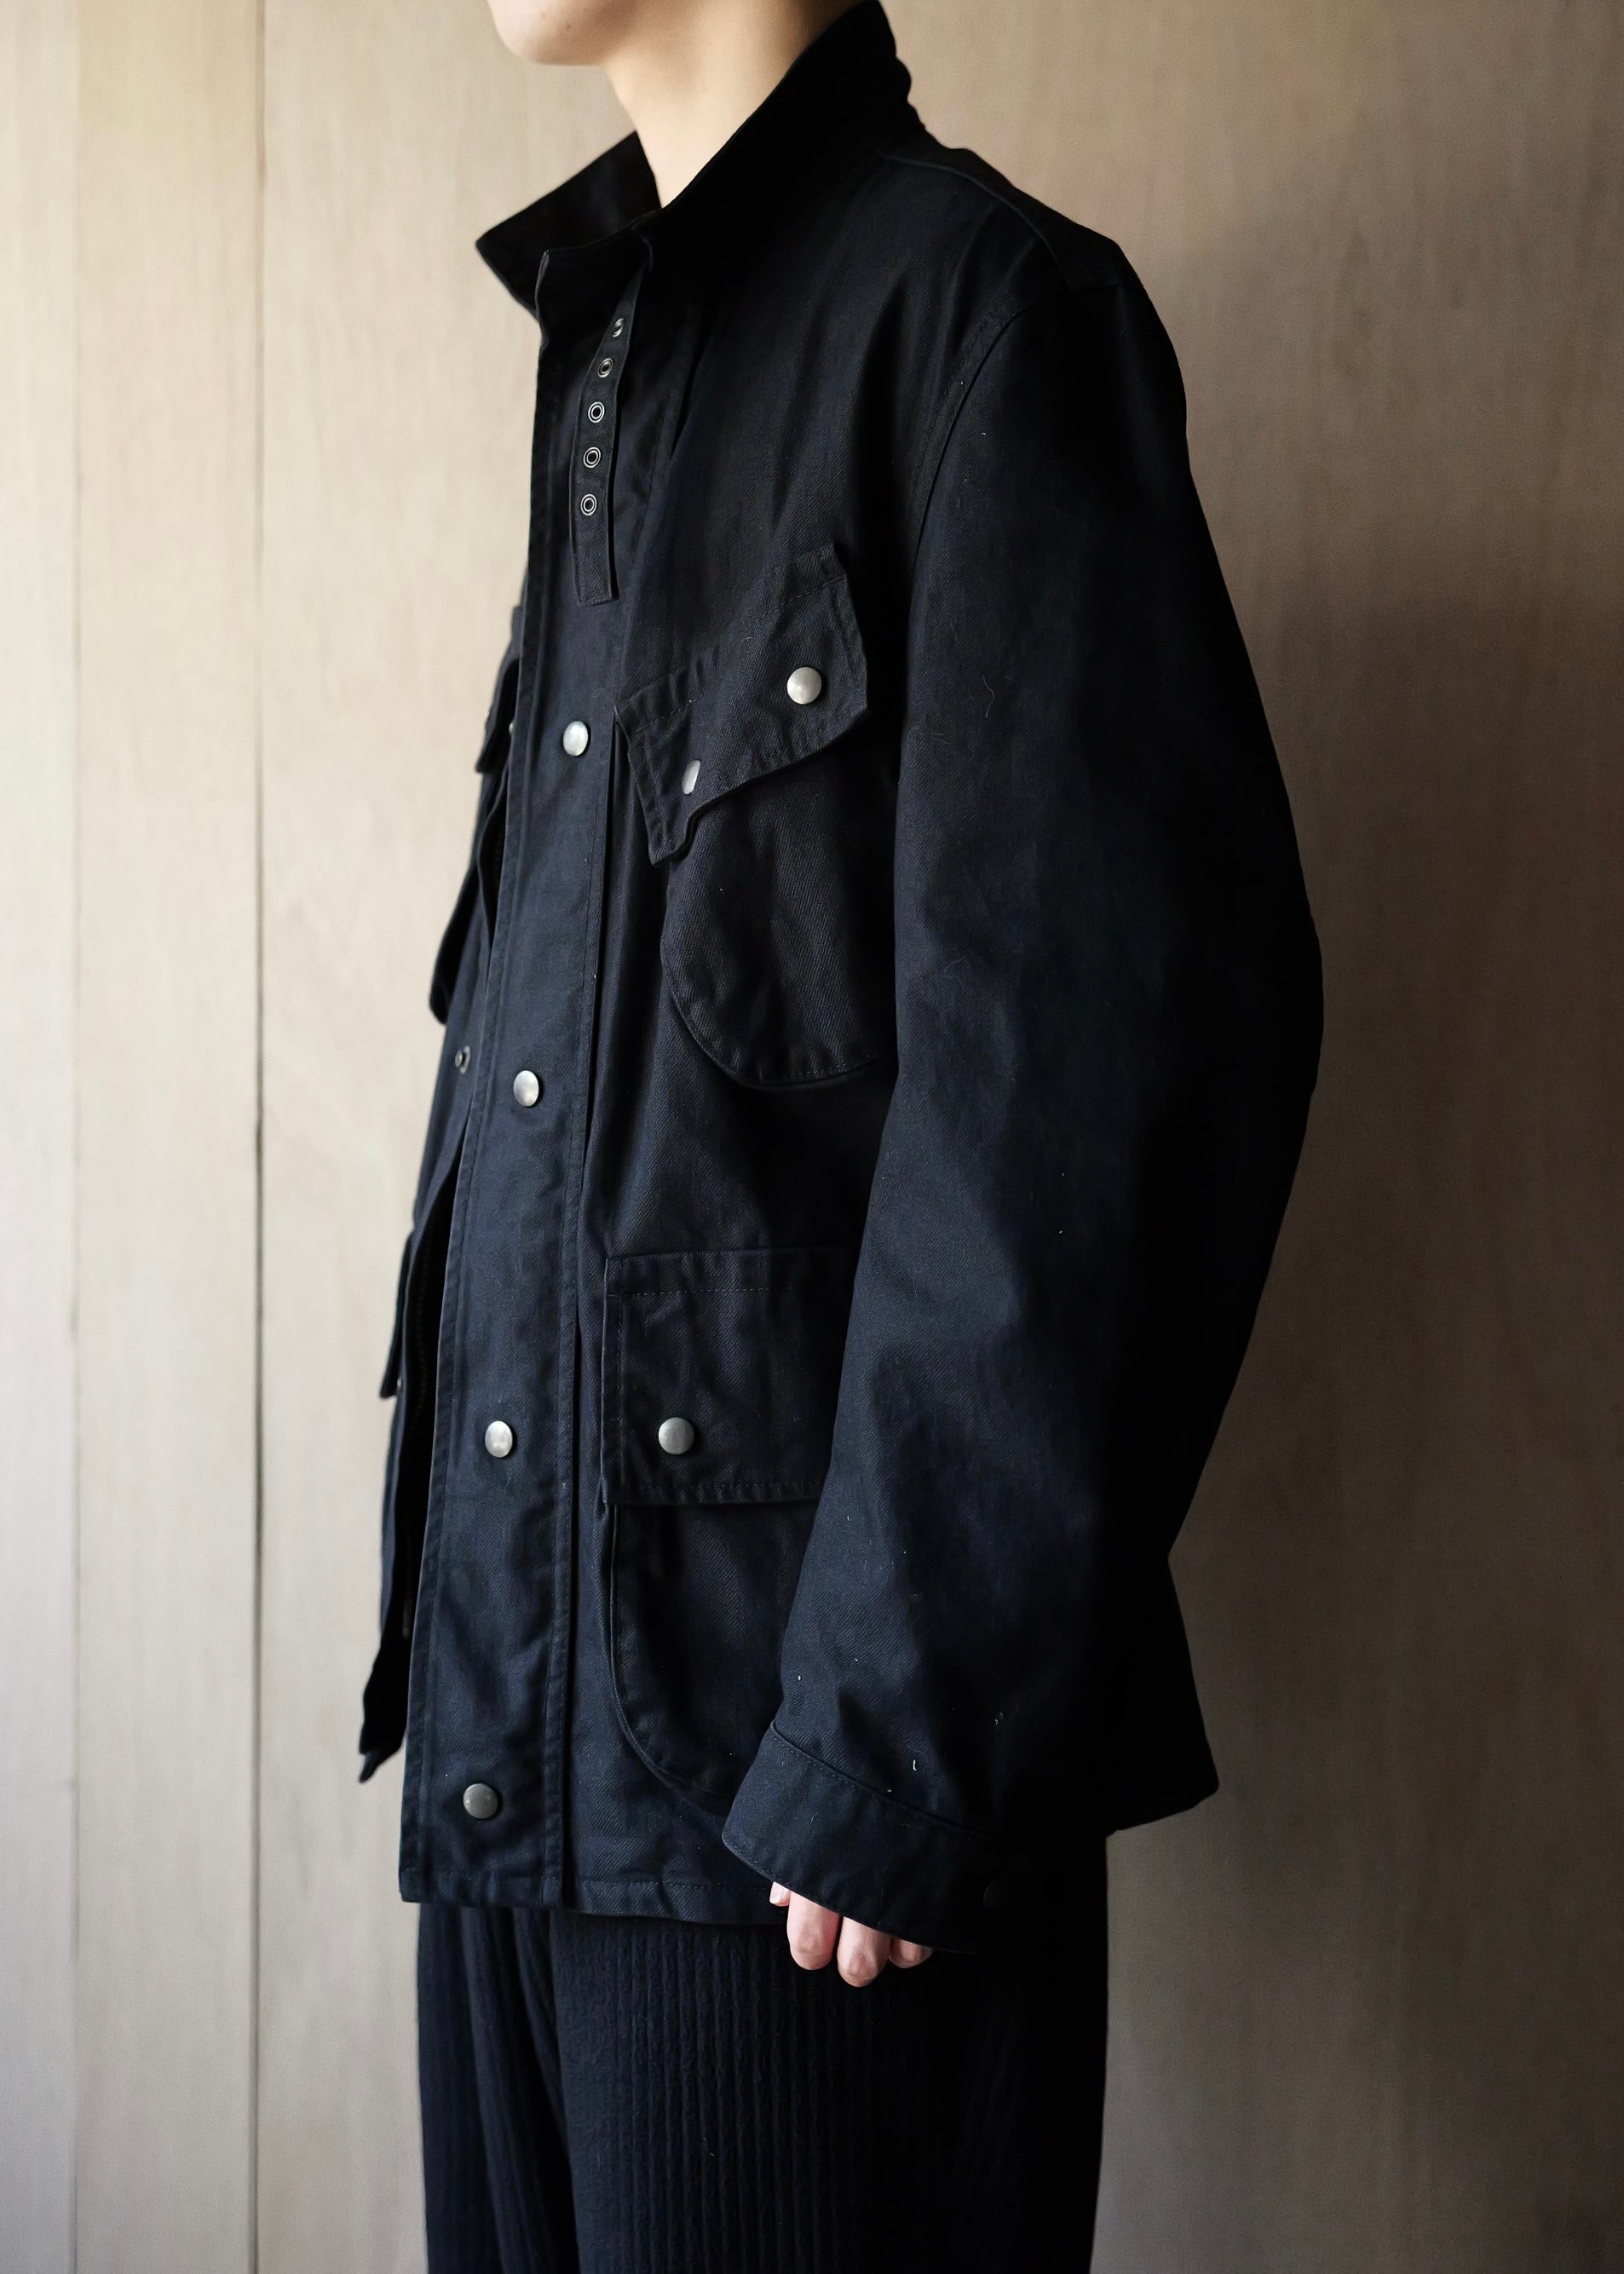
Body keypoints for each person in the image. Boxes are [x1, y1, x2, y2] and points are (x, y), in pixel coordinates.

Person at [360, 0, 1322, 2264]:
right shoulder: (610, 361)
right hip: (523, 1769)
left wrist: (904, 1732)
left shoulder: (984, 321)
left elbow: (1099, 1068)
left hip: (798, 1829)